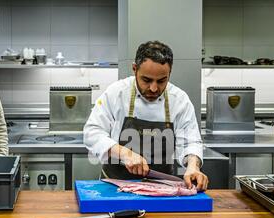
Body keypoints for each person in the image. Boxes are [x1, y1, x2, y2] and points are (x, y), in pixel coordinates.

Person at [84, 40, 208, 190]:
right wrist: (125, 154)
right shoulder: (116, 93)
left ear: (169, 73)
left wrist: (193, 166)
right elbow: (92, 133)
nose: (154, 88)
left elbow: (191, 142)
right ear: (134, 69)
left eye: (162, 81)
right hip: (115, 187)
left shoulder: (179, 100)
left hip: (163, 189)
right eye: (146, 80)